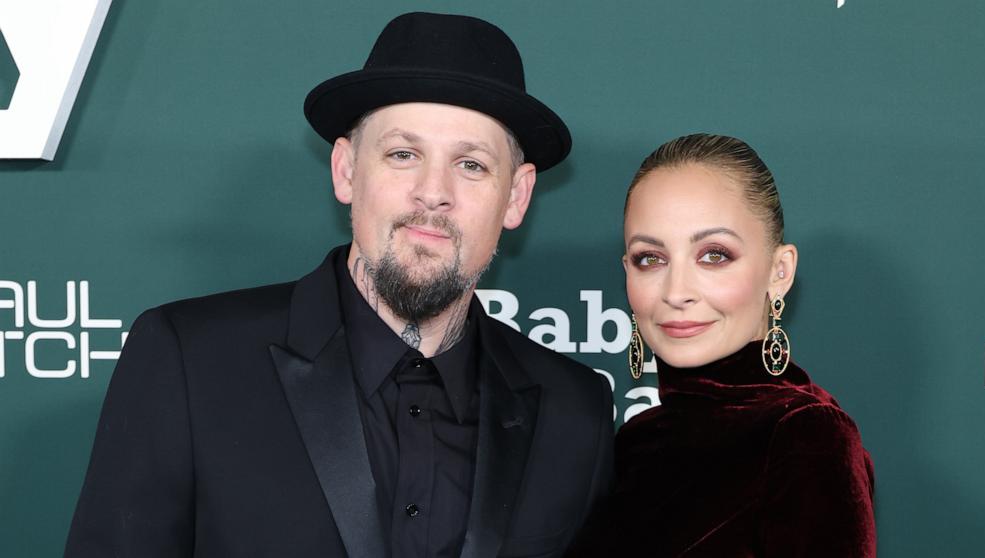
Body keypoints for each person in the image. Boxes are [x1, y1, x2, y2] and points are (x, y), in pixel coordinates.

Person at [64, 12, 613, 558]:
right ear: (347, 170)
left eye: (470, 164)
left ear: (516, 196)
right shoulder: (190, 360)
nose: (433, 192)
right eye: (403, 154)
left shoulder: (574, 410)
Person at [571, 133, 875, 557]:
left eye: (714, 255)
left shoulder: (805, 433)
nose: (676, 291)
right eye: (650, 259)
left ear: (779, 271)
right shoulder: (638, 439)